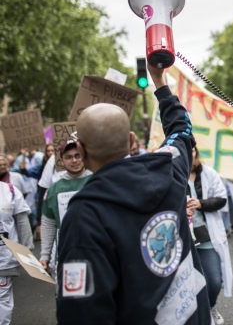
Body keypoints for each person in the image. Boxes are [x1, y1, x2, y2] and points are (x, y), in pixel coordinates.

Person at [56, 65, 213, 324]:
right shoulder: (169, 167)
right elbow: (181, 131)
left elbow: (82, 312)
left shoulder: (83, 215)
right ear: (131, 141)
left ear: (81, 153)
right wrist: (159, 81)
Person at [186, 146, 232, 325]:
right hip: (182, 239)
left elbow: (221, 199)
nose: (189, 154)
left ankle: (210, 306)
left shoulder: (208, 173)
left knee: (213, 280)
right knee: (189, 283)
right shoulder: (170, 173)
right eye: (185, 150)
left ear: (196, 152)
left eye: (192, 150)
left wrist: (200, 203)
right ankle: (196, 316)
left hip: (206, 237)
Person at [39, 141, 92, 275]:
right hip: (66, 255)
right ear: (62, 161)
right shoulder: (54, 189)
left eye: (77, 155)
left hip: (96, 252)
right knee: (68, 294)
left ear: (84, 156)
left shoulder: (97, 181)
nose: (74, 160)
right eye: (68, 157)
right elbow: (48, 224)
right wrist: (44, 255)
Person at [0, 179, 33, 325]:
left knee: (2, 299)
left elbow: (22, 221)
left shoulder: (9, 191)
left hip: (4, 257)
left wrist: (26, 252)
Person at [35, 144, 55, 241]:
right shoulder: (50, 164)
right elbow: (42, 195)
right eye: (68, 157)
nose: (74, 160)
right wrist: (39, 222)